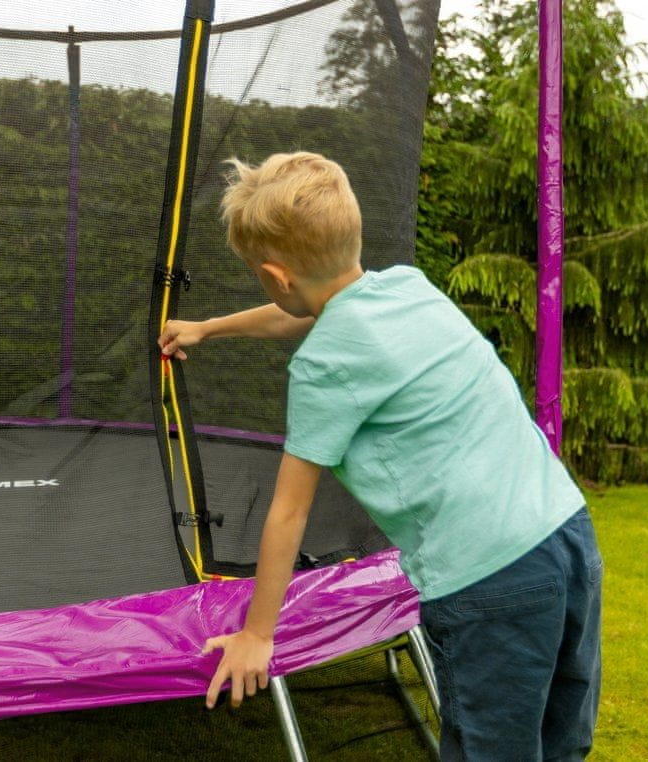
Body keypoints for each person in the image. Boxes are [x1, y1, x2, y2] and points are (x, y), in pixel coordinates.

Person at [158, 152, 601, 761]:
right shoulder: (406, 288)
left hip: (487, 579)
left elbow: (289, 512)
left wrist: (258, 634)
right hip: (566, 536)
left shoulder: (323, 367)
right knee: (561, 743)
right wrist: (208, 328)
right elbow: (308, 313)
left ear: (277, 277)